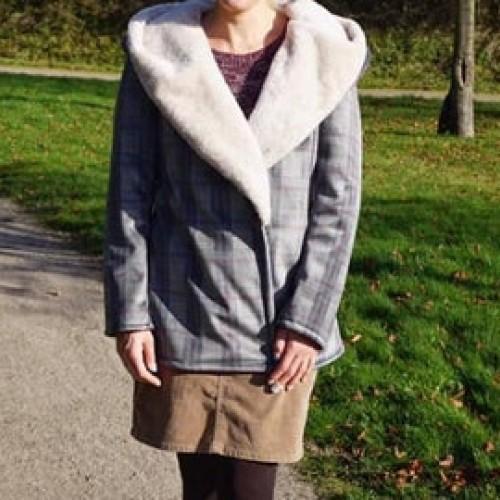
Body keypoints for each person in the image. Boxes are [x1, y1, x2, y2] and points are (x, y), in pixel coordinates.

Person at [102, 0, 371, 498]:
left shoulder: (326, 55)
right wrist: (131, 314)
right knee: (201, 491)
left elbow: (338, 203)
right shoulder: (158, 50)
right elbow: (129, 194)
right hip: (184, 314)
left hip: (277, 330)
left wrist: (307, 322)